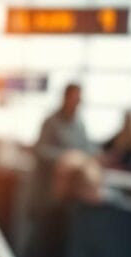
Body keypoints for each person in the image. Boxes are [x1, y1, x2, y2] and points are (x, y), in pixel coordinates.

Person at [32, 83, 102, 213]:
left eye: (79, 100)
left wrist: (94, 154)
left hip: (73, 191)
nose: (77, 103)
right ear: (65, 98)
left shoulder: (80, 124)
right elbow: (40, 150)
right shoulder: (51, 122)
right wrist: (66, 157)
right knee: (48, 222)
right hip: (50, 188)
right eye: (74, 99)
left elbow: (85, 148)